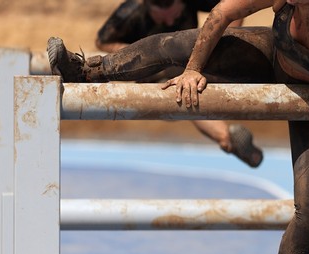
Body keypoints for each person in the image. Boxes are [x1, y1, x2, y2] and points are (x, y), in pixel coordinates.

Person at [47, 0, 309, 254]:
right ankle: (85, 70)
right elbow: (220, 14)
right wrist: (194, 69)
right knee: (176, 45)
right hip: (272, 58)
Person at [95, 0, 262, 168]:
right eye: (162, 21)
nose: (169, 23)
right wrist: (137, 53)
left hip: (191, 63)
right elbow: (102, 40)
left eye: (175, 17)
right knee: (185, 95)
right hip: (154, 73)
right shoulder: (131, 10)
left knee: (192, 89)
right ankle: (226, 137)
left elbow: (230, 7)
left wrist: (229, 35)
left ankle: (227, 138)